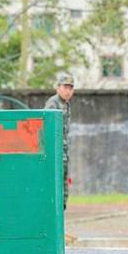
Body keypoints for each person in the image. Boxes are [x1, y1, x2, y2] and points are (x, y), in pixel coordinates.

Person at [44, 73, 74, 211]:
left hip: (63, 150)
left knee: (64, 181)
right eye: (65, 87)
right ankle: (54, 208)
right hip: (54, 150)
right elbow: (47, 129)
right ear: (58, 88)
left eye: (71, 88)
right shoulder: (53, 104)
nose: (68, 91)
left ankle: (62, 208)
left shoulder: (66, 104)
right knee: (55, 181)